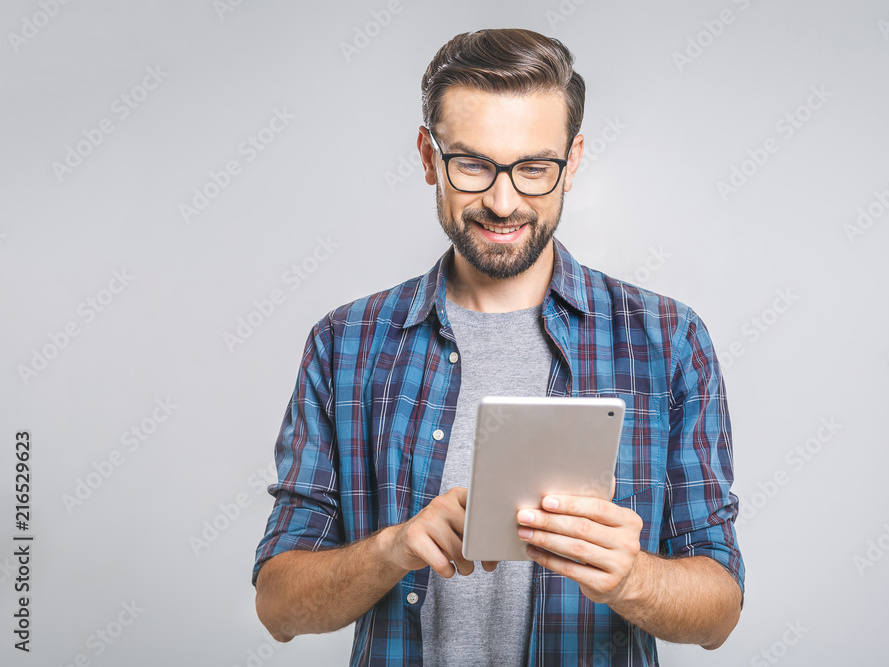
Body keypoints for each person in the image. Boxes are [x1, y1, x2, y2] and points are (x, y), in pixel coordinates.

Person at [252, 27, 744, 666]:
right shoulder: (346, 344)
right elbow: (278, 607)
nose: (503, 200)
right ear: (430, 158)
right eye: (473, 164)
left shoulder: (669, 341)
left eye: (535, 167)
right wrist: (392, 549)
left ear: (573, 162)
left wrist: (633, 578)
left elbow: (719, 613)